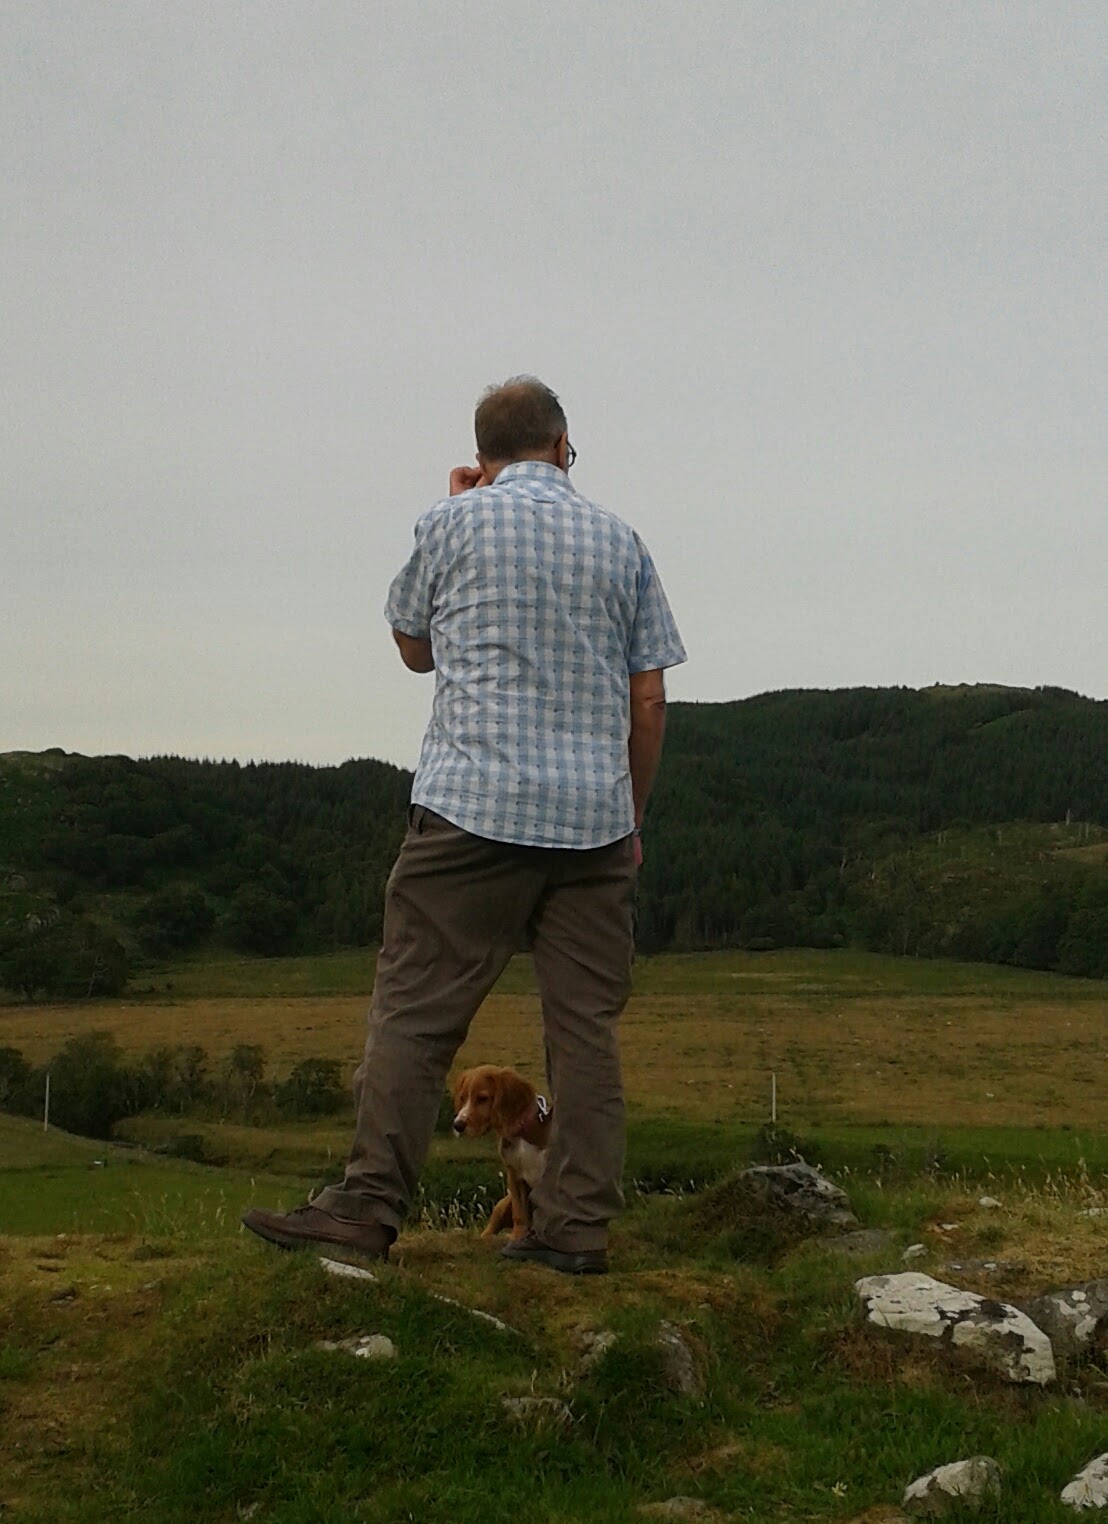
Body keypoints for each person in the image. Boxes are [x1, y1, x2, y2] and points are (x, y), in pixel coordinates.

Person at [243, 376, 686, 1274]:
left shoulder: (449, 523)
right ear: (562, 445)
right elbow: (649, 701)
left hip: (469, 813)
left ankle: (367, 1208)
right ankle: (576, 1230)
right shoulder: (622, 540)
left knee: (414, 1017)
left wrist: (458, 507)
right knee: (584, 1034)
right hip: (593, 825)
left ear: (481, 455)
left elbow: (414, 649)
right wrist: (629, 816)